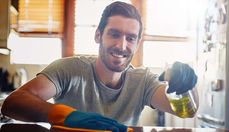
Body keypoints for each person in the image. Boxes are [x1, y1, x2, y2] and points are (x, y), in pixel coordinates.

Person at [1, 1, 198, 132]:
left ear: (137, 44)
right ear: (98, 35)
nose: (122, 46)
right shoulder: (68, 69)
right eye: (114, 34)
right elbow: (12, 104)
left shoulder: (143, 80)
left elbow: (186, 112)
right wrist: (64, 115)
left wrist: (185, 87)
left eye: (130, 38)